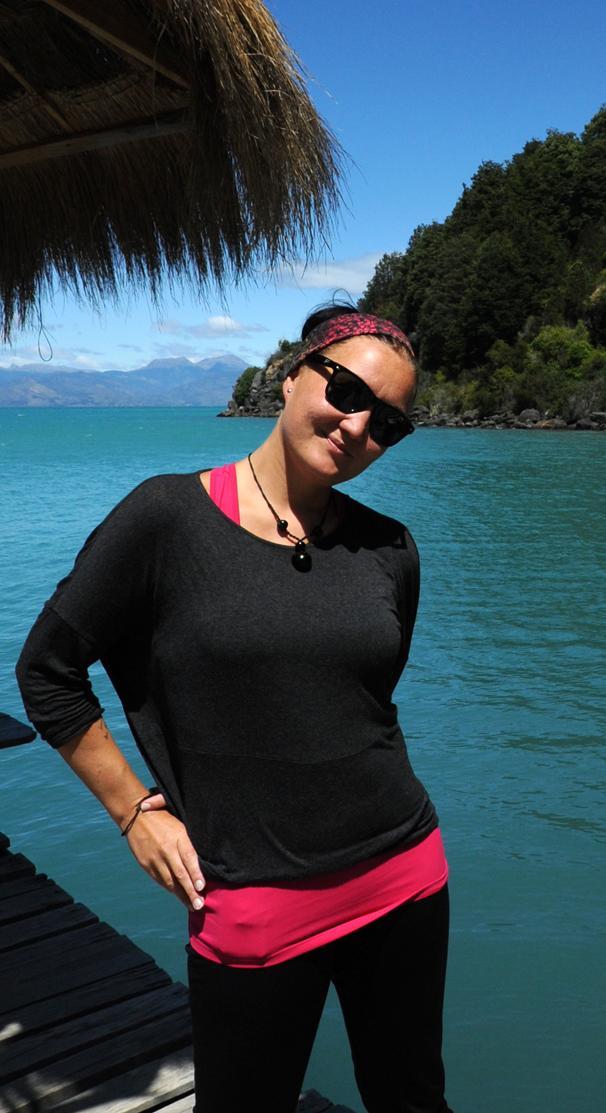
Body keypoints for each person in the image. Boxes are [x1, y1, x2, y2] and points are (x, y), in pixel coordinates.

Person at [16, 305, 454, 1113]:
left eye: (389, 424)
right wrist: (134, 813)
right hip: (253, 903)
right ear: (291, 377)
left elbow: (366, 703)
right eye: (347, 392)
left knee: (412, 1099)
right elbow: (47, 672)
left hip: (404, 874)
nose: (359, 427)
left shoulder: (391, 548)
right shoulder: (165, 519)